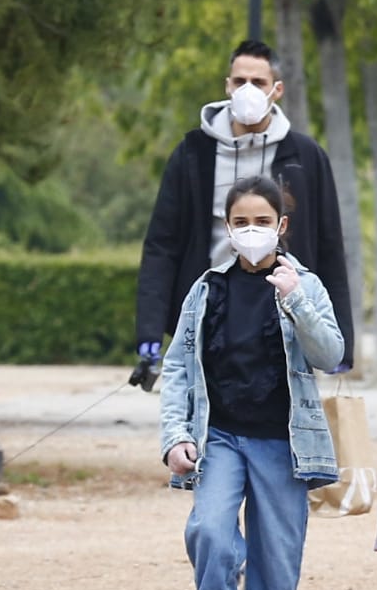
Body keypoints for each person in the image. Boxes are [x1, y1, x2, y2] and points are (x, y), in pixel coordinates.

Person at [158, 175, 344, 590]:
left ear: (281, 226)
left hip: (284, 442)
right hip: (218, 437)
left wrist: (296, 302)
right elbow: (177, 369)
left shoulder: (302, 283)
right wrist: (174, 436)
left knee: (276, 555)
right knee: (211, 531)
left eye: (262, 222)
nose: (252, 231)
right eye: (241, 222)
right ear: (227, 227)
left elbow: (331, 354)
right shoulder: (206, 289)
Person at [135, 39, 354, 388]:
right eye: (239, 82)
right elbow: (162, 245)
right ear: (227, 86)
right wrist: (149, 328)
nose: (247, 90)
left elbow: (329, 246)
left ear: (277, 89)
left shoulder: (305, 156)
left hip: (281, 318)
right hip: (208, 310)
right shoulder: (193, 153)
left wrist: (341, 340)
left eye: (259, 82)